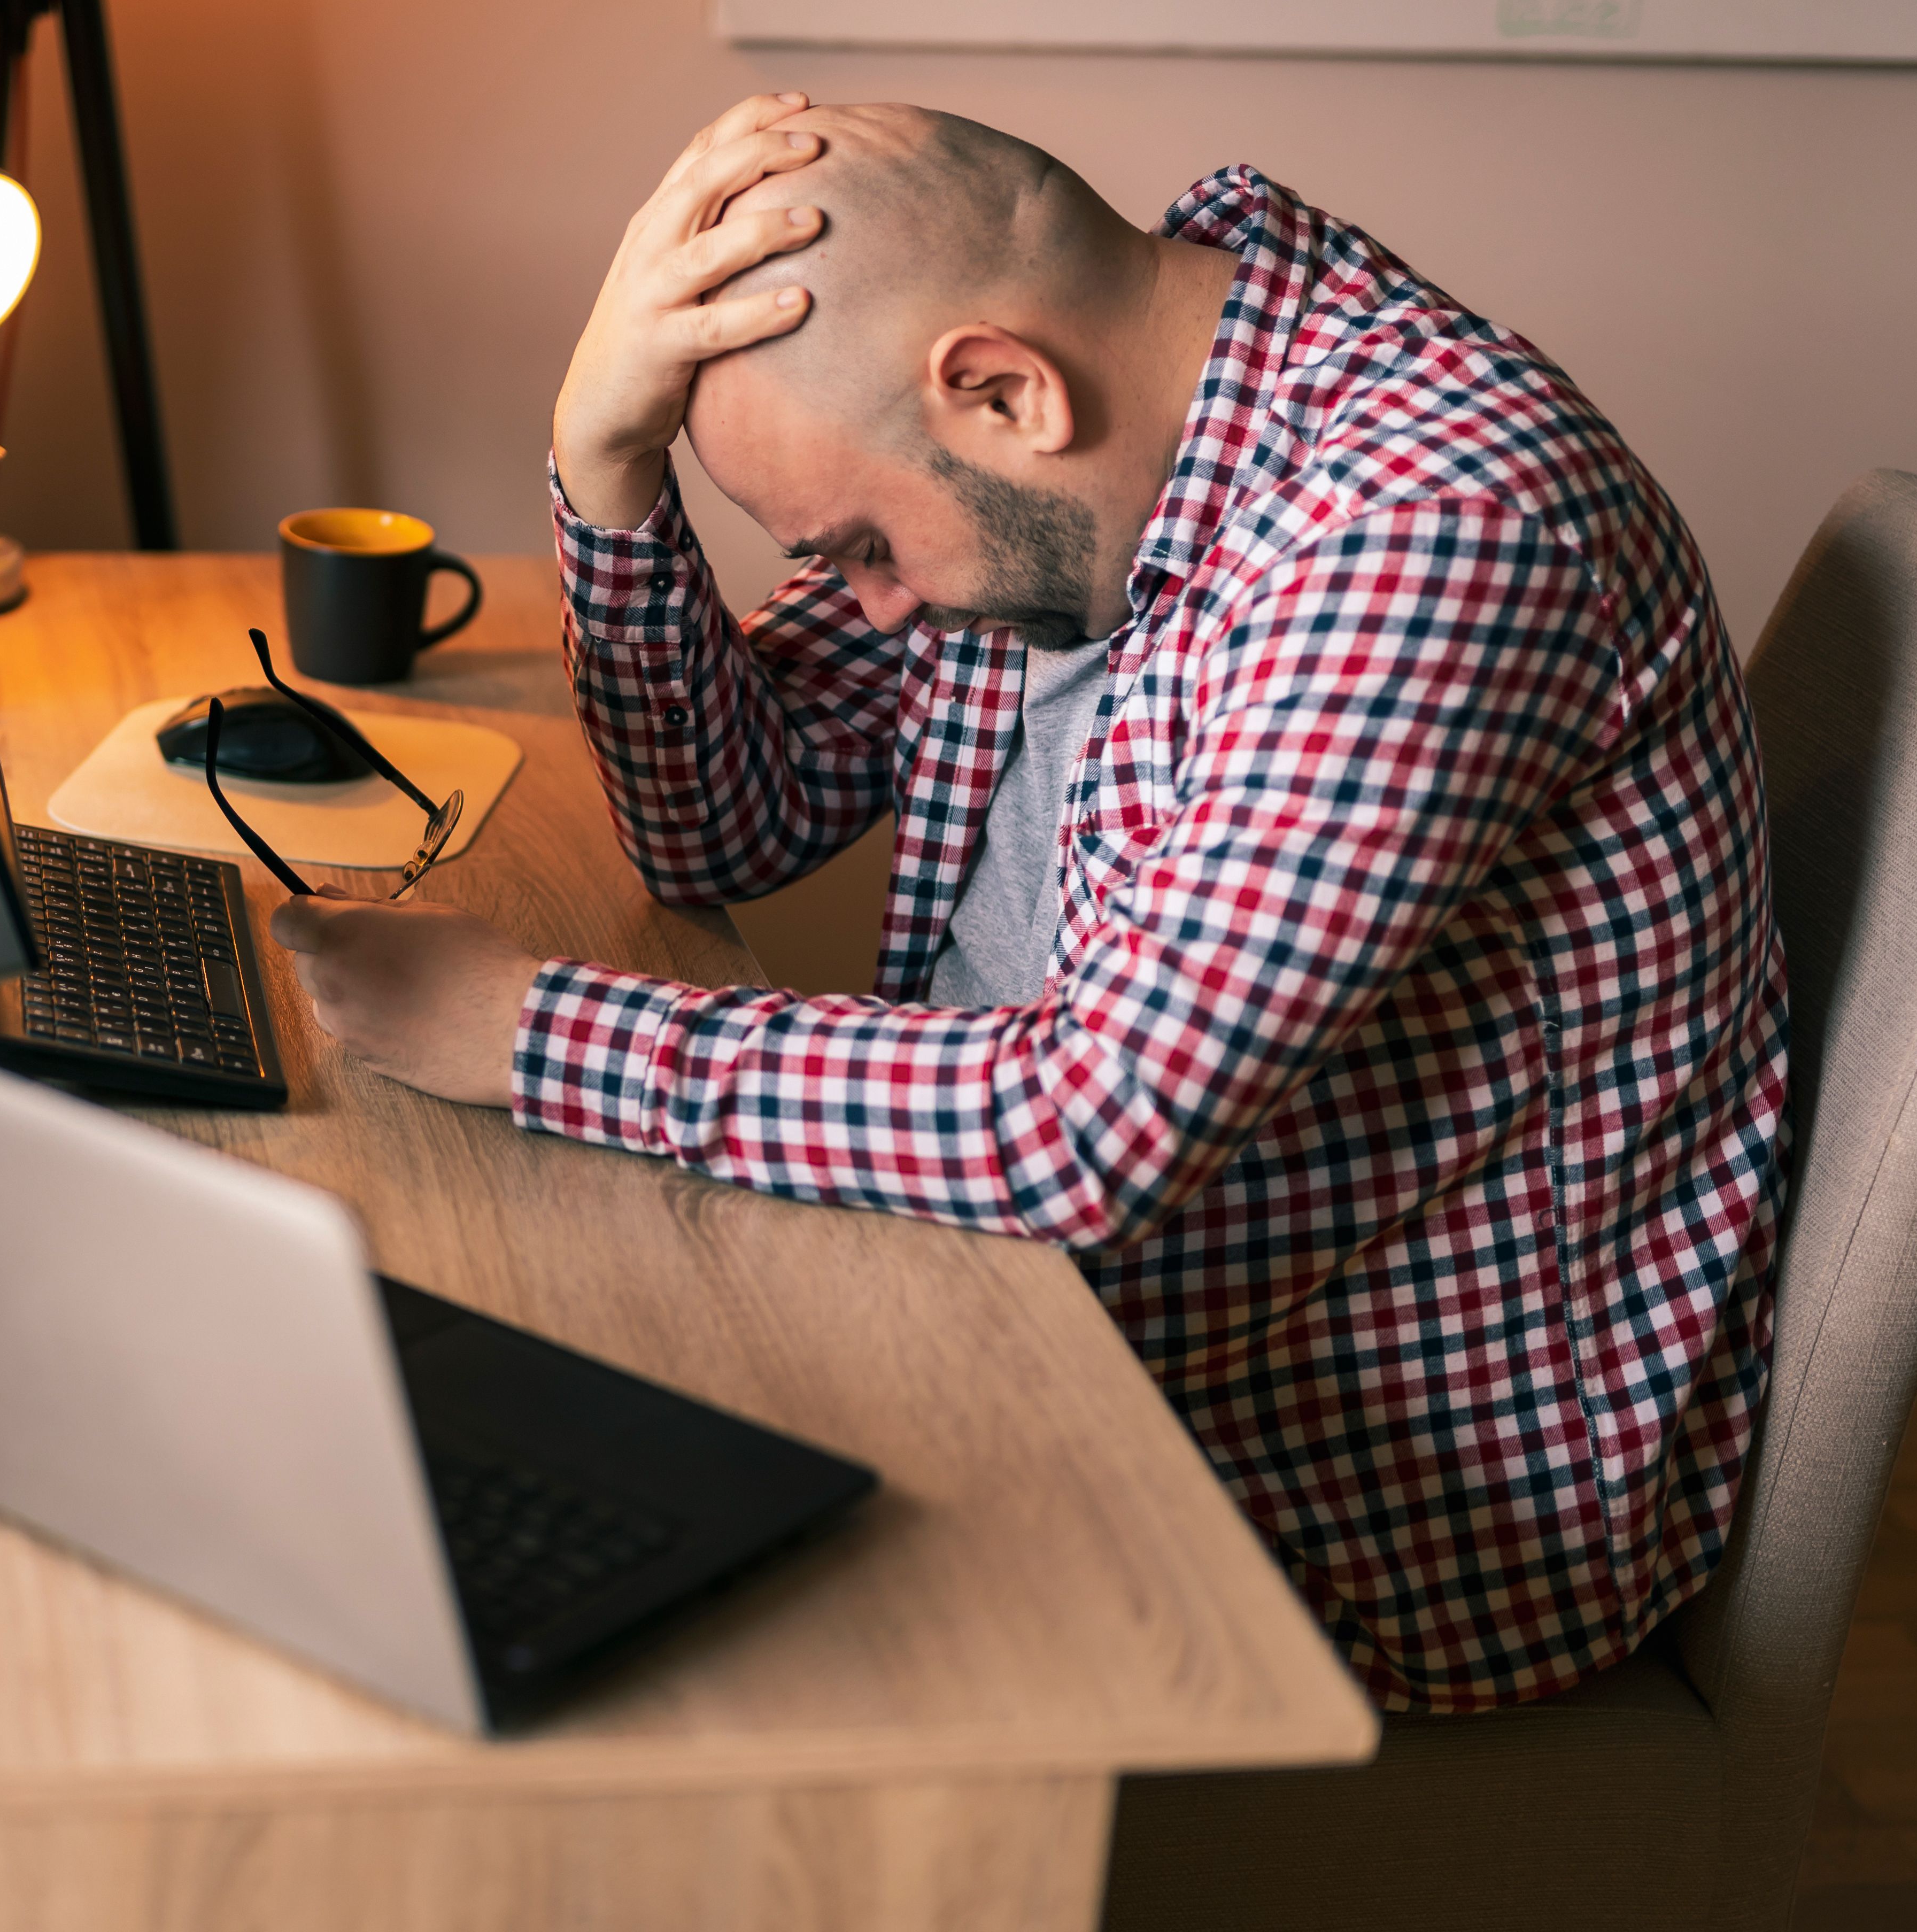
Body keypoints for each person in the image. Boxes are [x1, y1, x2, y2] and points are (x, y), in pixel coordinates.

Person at [266, 95, 1789, 1713]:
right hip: (1016, 1291)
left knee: (537, 1626)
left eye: (859, 547)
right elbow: (726, 821)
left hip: (1354, 1492)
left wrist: (524, 1030)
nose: (863, 604)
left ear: (1004, 391)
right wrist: (603, 463)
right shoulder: (1120, 410)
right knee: (428, 1402)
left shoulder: (1436, 533)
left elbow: (1080, 1133)